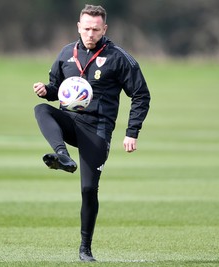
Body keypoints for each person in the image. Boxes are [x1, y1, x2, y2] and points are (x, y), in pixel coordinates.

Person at [33, 4, 150, 262]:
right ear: (78, 26)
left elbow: (141, 94)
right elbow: (56, 88)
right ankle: (62, 156)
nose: (90, 33)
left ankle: (85, 249)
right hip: (71, 121)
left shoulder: (119, 57)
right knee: (41, 109)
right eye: (86, 28)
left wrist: (132, 132)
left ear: (104, 29)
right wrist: (46, 90)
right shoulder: (66, 54)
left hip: (97, 129)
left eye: (96, 29)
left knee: (88, 189)